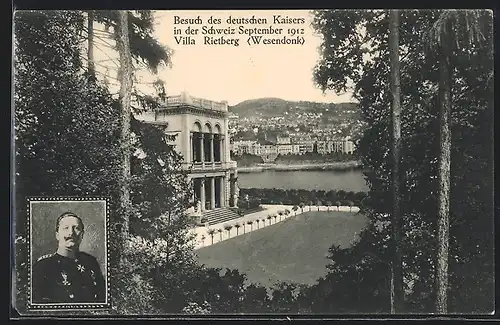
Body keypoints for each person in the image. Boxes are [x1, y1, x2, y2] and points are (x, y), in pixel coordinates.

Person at [32, 211, 105, 304]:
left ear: (82, 235)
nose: (71, 233)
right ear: (57, 235)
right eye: (66, 228)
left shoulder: (90, 262)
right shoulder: (42, 266)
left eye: (76, 228)